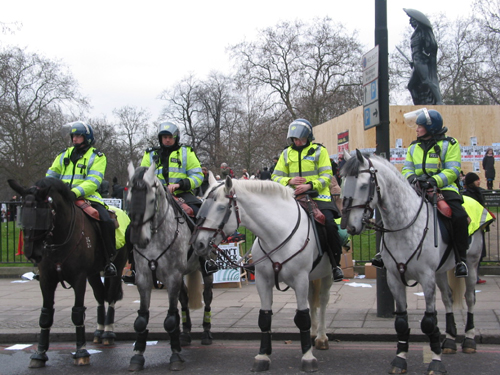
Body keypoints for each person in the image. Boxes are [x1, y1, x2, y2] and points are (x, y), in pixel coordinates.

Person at [372, 109, 468, 277]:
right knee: (391, 212)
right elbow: (407, 168)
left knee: (458, 216)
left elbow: (453, 170)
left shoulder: (450, 144)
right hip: (416, 189)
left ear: (431, 128)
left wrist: (434, 181)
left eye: (420, 126)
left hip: (444, 189)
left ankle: (461, 260)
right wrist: (414, 179)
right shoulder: (413, 146)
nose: (416, 129)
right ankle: (383, 253)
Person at [137, 121, 217, 275]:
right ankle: (134, 265)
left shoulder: (187, 152)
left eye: (170, 137)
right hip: (156, 195)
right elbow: (143, 175)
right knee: (134, 221)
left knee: (201, 216)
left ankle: (206, 259)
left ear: (176, 137)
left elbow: (198, 176)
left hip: (182, 194)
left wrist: (180, 185)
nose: (167, 140)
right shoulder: (150, 154)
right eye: (164, 137)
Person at [272, 118, 344, 282]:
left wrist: (310, 185)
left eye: (300, 139)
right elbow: (275, 176)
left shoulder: (320, 151)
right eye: (295, 139)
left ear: (308, 137)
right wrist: (288, 181)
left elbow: (327, 176)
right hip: (293, 198)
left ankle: (335, 265)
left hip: (319, 197)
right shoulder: (285, 154)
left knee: (331, 226)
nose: (297, 142)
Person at [46, 121, 117, 277]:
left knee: (105, 220)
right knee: (42, 218)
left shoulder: (97, 156)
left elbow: (94, 180)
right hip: (62, 198)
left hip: (88, 197)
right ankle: (43, 260)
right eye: (73, 136)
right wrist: (49, 189)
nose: (75, 139)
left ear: (87, 138)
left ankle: (108, 260)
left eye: (78, 136)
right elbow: (51, 174)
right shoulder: (63, 154)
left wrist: (75, 193)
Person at [404, 8, 443, 105]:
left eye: (411, 20)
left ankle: (439, 101)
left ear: (416, 21)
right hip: (416, 60)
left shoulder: (421, 33)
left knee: (427, 81)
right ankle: (418, 104)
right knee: (411, 86)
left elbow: (428, 48)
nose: (410, 23)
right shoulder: (416, 33)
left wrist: (421, 59)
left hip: (420, 60)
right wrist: (413, 61)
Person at [462, 172, 488, 284]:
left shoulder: (478, 192)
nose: (479, 181)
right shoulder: (468, 194)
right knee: (472, 252)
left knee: (479, 252)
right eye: (477, 180)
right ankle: (472, 276)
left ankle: (475, 276)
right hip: (473, 226)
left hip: (479, 225)